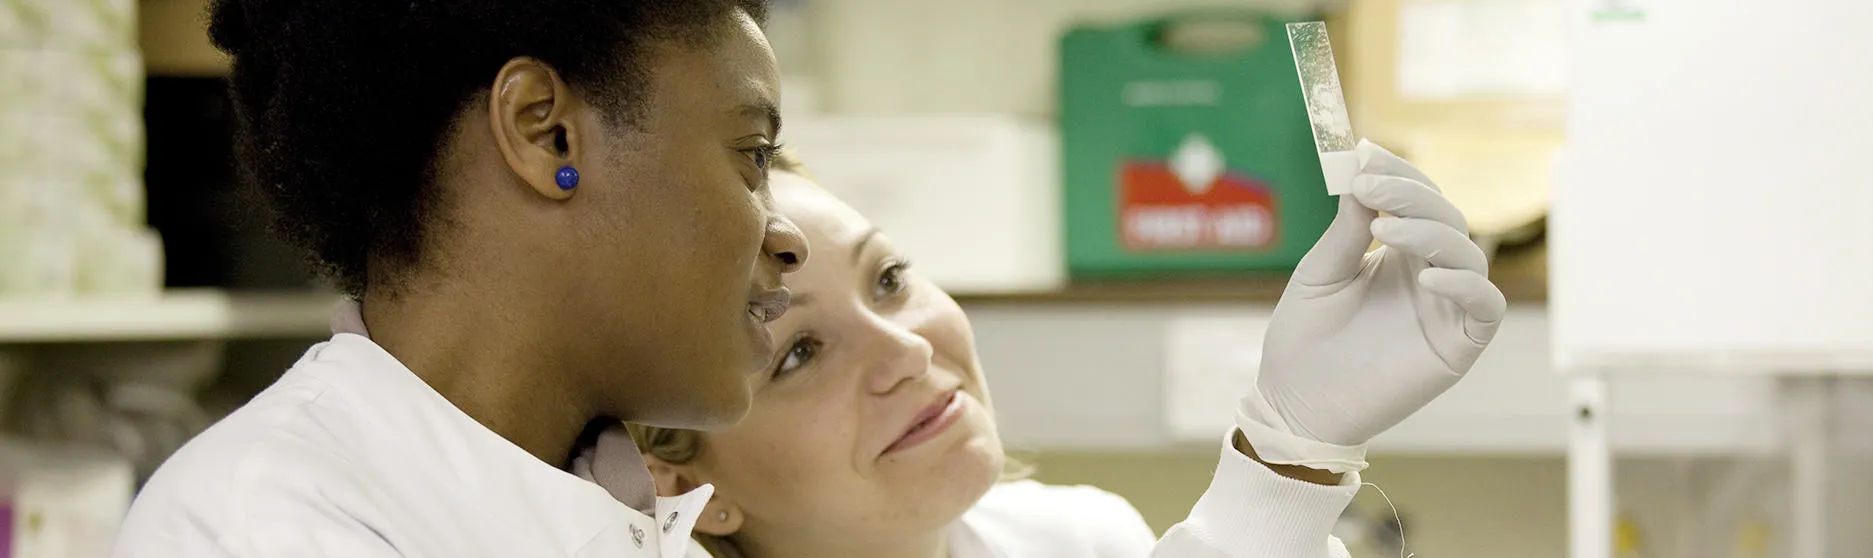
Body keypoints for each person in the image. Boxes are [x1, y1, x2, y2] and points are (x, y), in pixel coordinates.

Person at [111, 1, 807, 557]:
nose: (788, 238)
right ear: (545, 132)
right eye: (750, 156)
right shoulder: (260, 527)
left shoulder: (632, 517)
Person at [582, 142, 1507, 557]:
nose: (903, 351)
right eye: (796, 355)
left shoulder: (1077, 538)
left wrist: (1305, 440)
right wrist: (1284, 454)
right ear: (682, 487)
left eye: (890, 280)